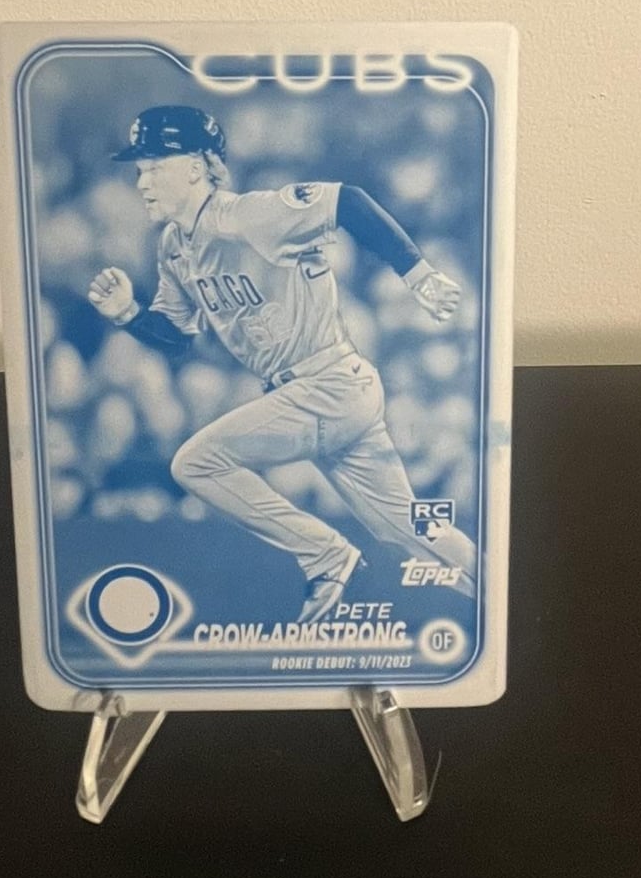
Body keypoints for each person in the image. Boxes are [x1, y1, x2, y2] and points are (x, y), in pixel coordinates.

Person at [87, 105, 477, 621]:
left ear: (196, 166)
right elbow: (177, 338)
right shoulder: (173, 246)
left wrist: (418, 274)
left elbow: (349, 201)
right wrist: (129, 315)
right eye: (140, 170)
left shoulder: (248, 215)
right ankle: (499, 595)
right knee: (411, 533)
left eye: (155, 166)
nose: (142, 182)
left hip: (326, 382)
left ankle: (325, 554)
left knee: (196, 463)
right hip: (321, 392)